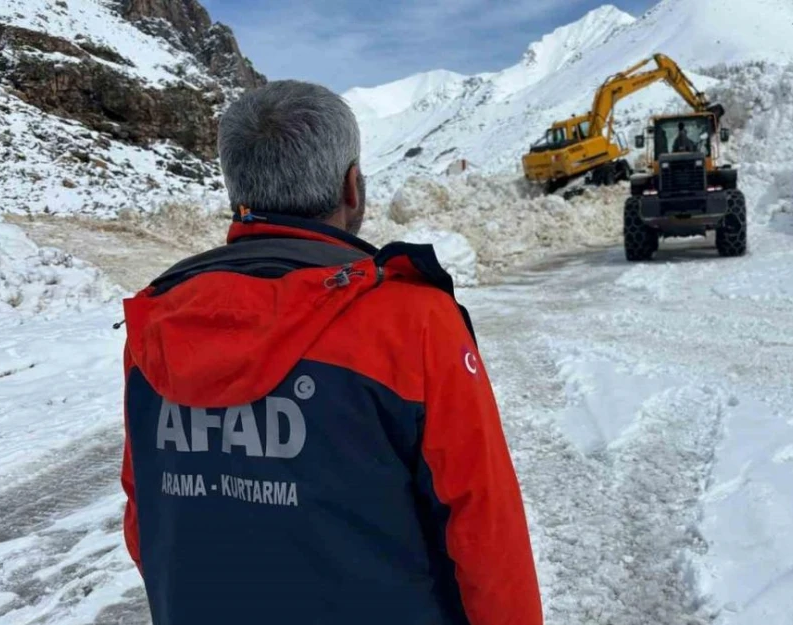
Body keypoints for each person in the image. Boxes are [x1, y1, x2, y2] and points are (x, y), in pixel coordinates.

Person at [118, 80, 542, 625]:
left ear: (234, 191)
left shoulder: (159, 319)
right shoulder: (412, 321)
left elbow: (145, 516)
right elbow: (486, 532)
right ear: (352, 187)